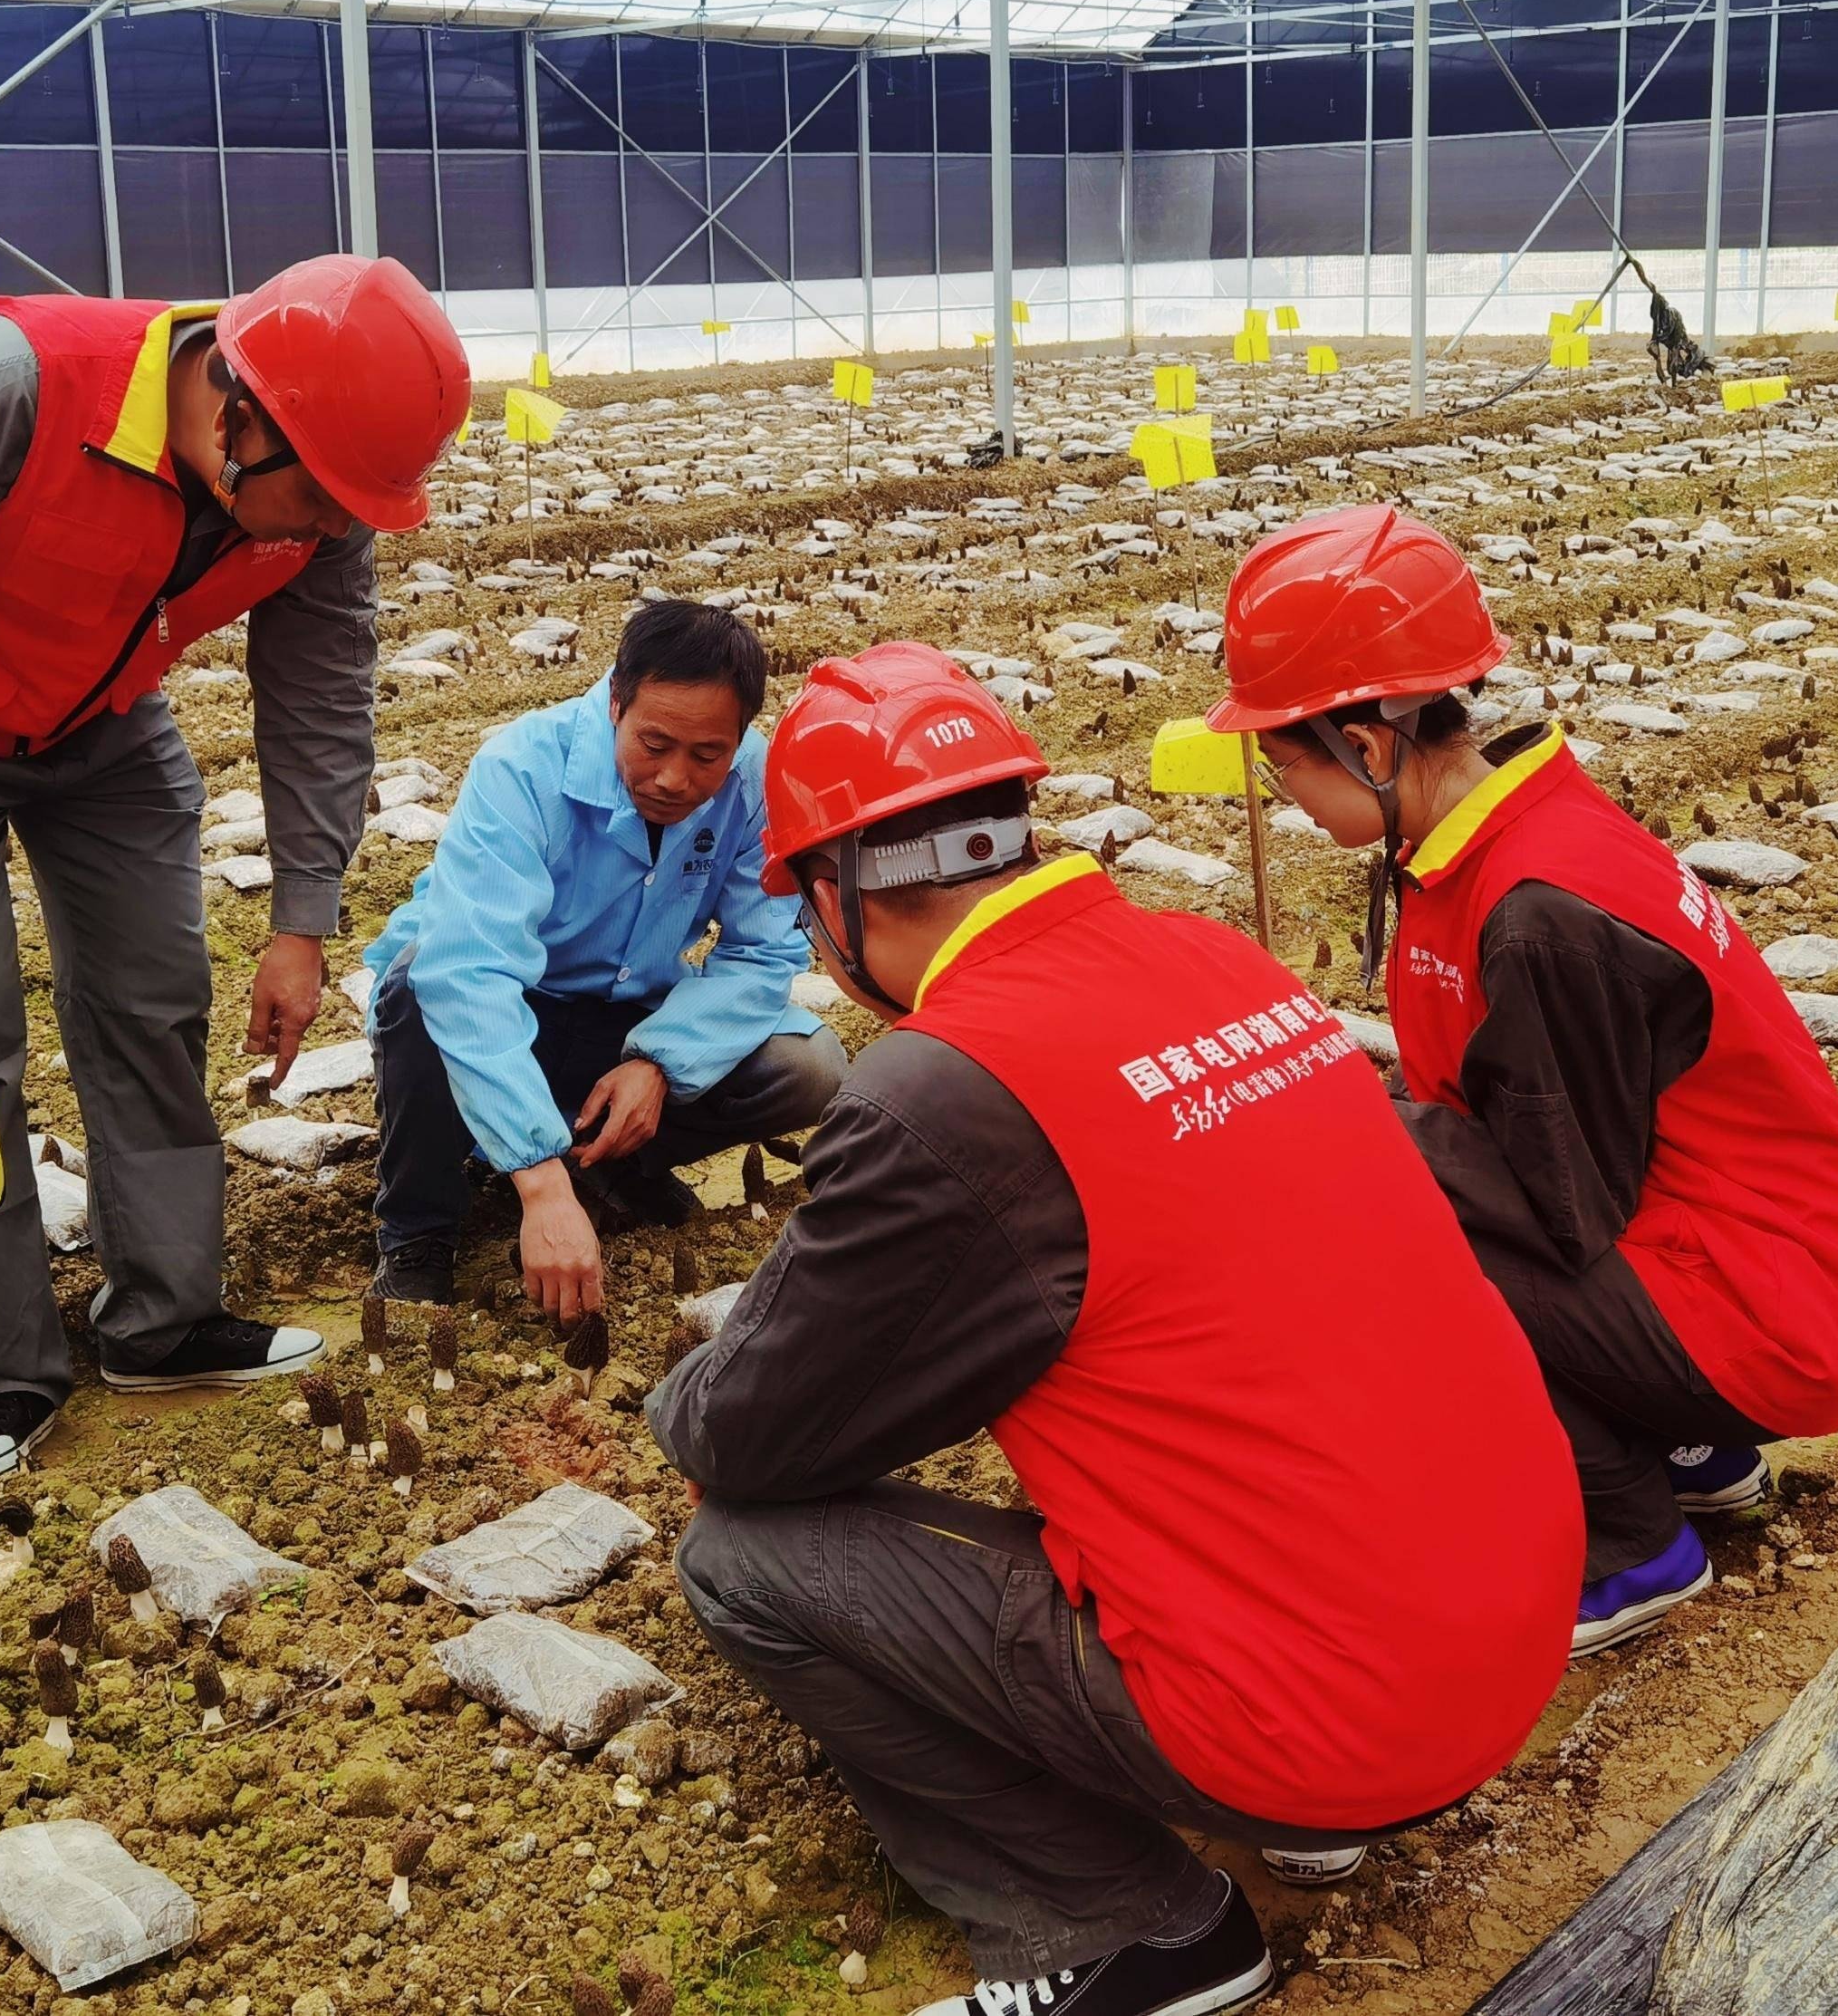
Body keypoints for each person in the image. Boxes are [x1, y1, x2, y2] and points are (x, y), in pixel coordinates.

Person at [651, 642, 1580, 2016]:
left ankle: (1111, 1928)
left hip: (1331, 1716)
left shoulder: (948, 1084)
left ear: (836, 898)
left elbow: (748, 1429)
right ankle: (1302, 1812)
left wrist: (687, 1399)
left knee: (740, 1556)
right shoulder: (1205, 955)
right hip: (1508, 1638)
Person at [0, 254, 470, 1489]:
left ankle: (161, 1321)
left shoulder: (324, 504)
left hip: (106, 725)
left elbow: (317, 698)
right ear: (239, 413)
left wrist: (302, 919)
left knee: (152, 1002)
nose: (331, 531)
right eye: (320, 501)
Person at [1210, 505, 1838, 1654]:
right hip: (1755, 1255)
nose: (1282, 797)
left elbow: (1557, 1199)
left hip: (1768, 1307)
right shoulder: (1506, 833)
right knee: (1412, 1187)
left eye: (1282, 765)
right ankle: (1695, 1454)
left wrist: (1340, 1121)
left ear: (1368, 747)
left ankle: (1629, 1545)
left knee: (1391, 1247)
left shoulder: (1541, 911)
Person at [362, 599, 844, 1316]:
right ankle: (418, 1230)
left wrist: (658, 1061)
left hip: (620, 1015)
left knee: (807, 1068)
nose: (675, 780)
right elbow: (469, 975)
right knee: (414, 987)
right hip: (500, 1004)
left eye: (706, 755)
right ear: (616, 701)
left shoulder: (754, 782)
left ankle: (607, 1166)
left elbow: (763, 951)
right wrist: (537, 1183)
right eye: (653, 745)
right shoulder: (521, 768)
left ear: (739, 736)